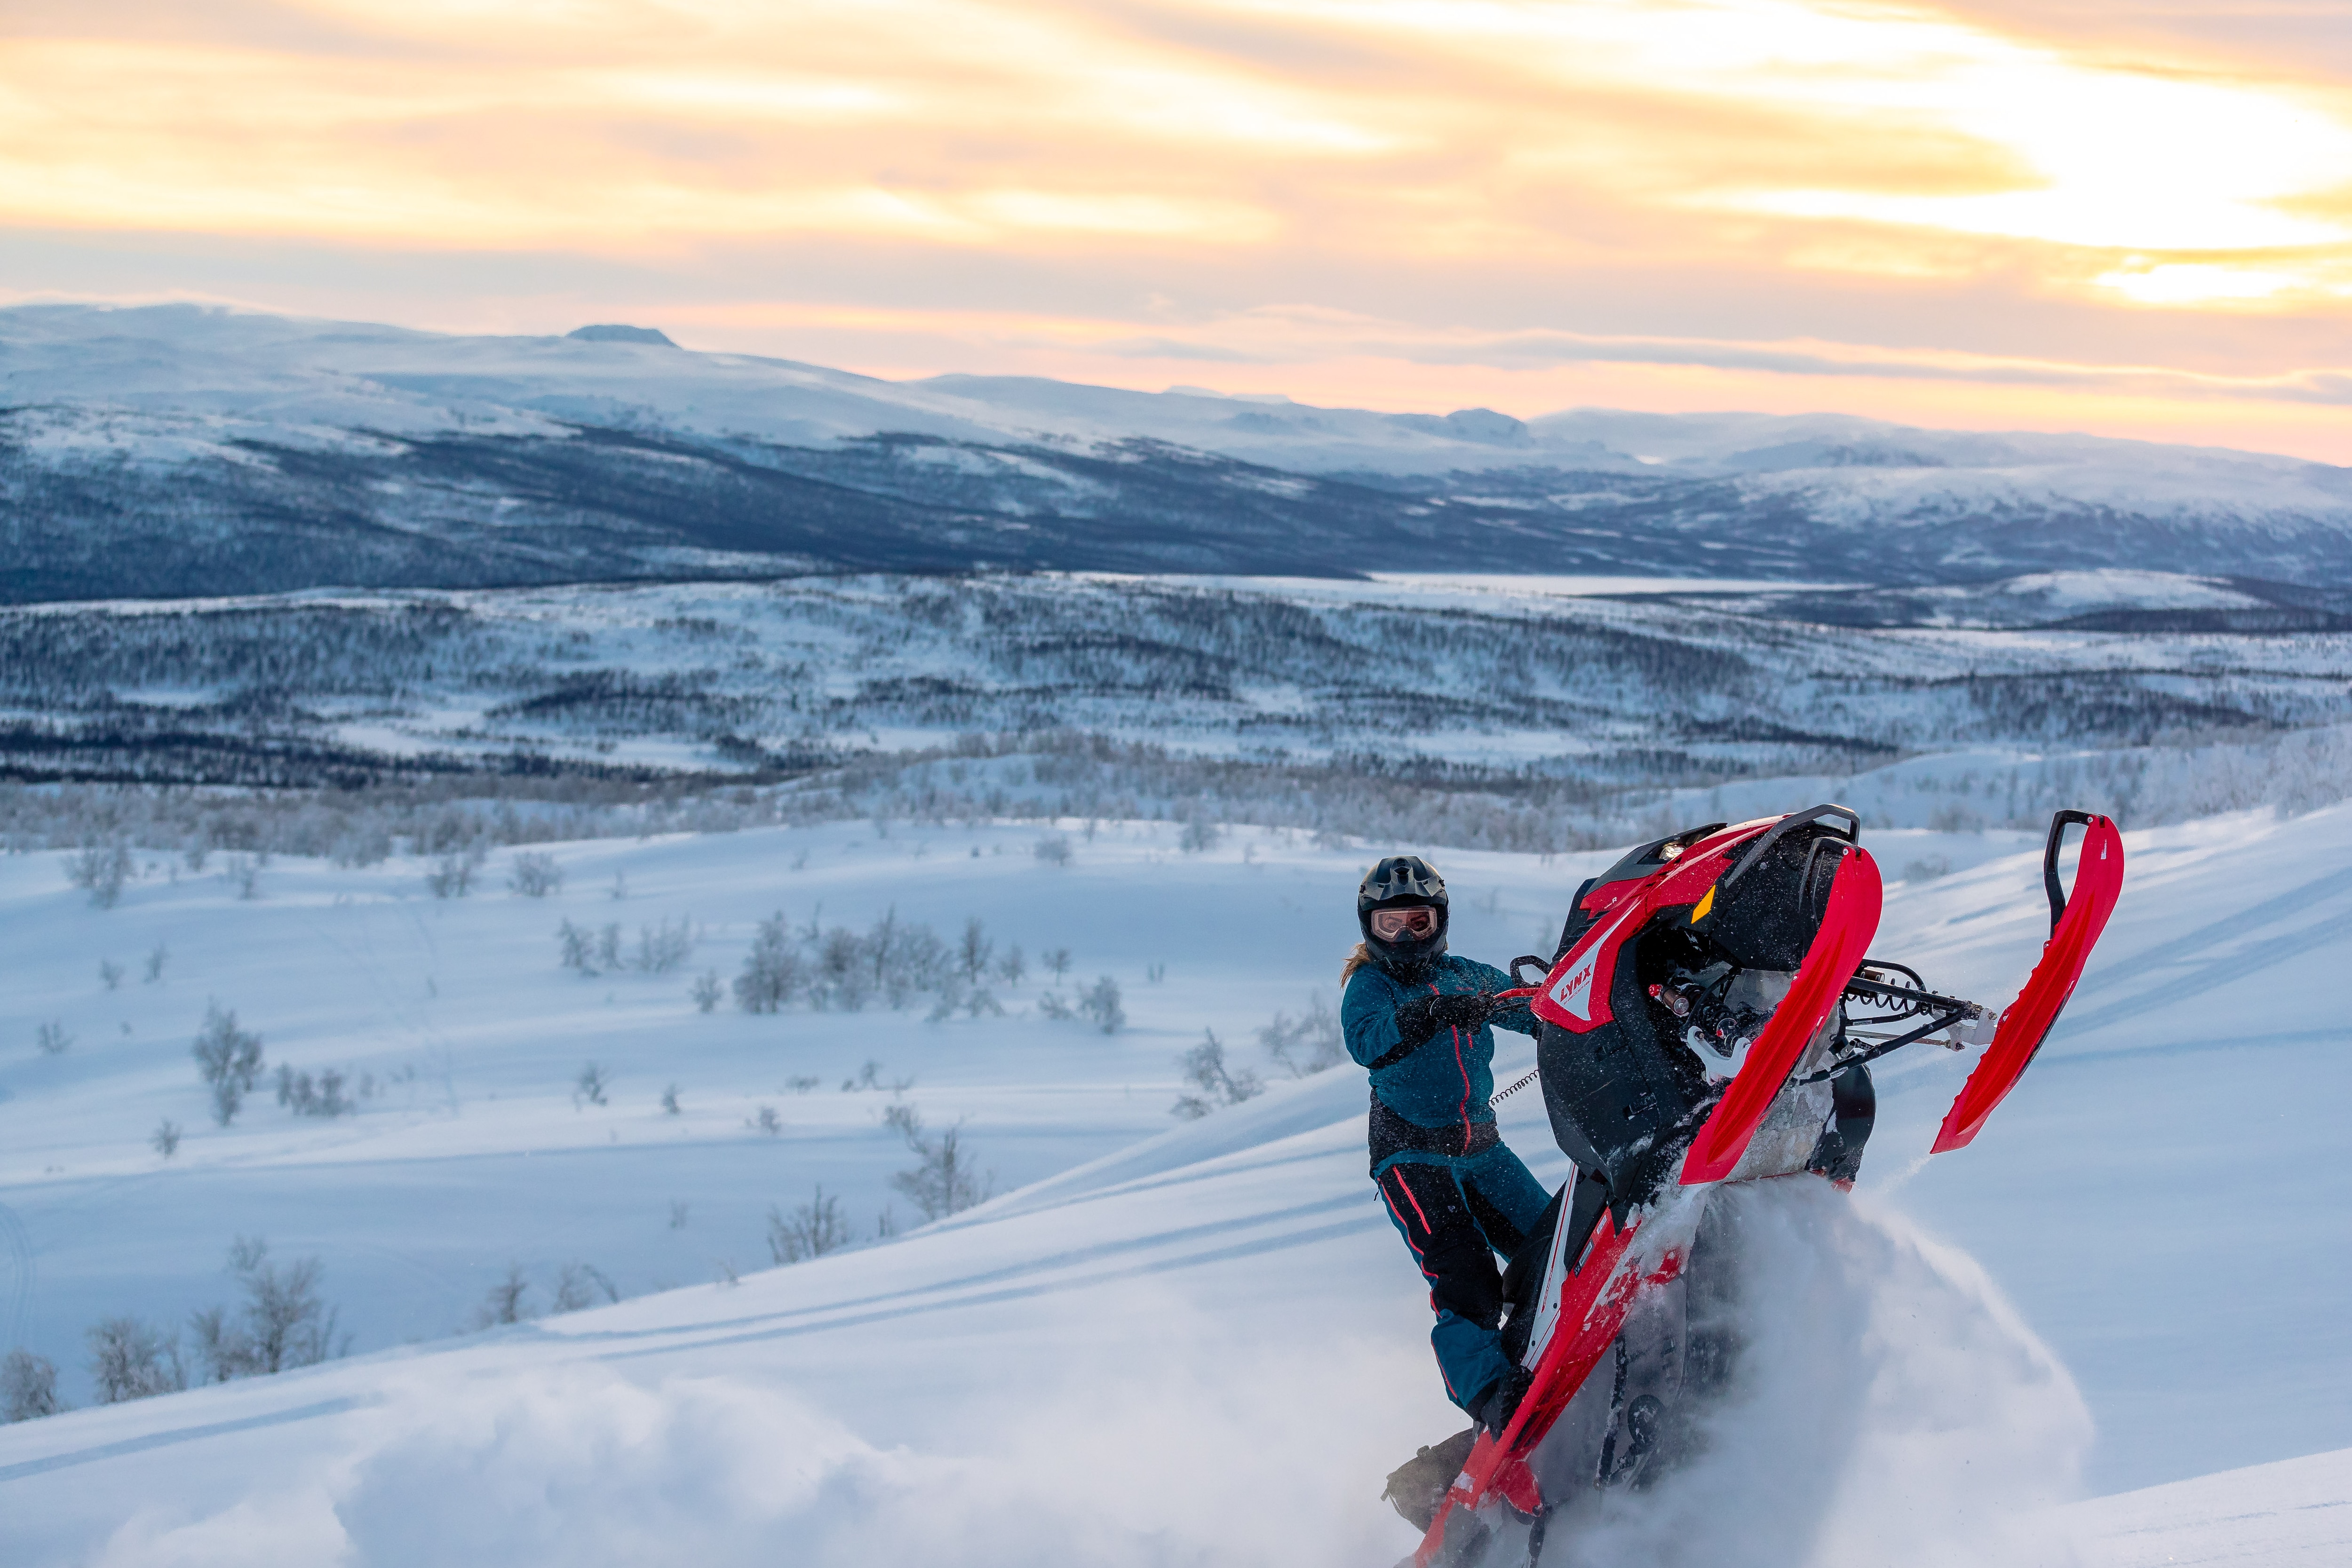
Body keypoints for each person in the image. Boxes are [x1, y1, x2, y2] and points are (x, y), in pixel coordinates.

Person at [1344, 854, 1549, 1436]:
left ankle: (1547, 1340)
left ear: (1440, 921)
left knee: (1555, 1245)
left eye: (1418, 922)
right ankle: (1487, 1393)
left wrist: (1569, 1008)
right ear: (1369, 927)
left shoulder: (1465, 974)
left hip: (1482, 1149)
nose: (1406, 936)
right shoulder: (1368, 985)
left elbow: (1529, 1007)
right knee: (1465, 1277)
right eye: (1390, 925)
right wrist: (1430, 1015)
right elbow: (1368, 1043)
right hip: (1410, 1158)